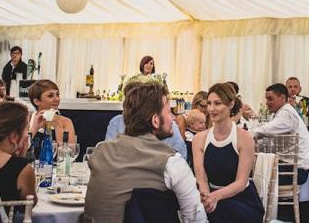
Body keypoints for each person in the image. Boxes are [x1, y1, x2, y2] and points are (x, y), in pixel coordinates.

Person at [85, 82, 205, 222]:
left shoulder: (100, 153)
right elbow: (197, 219)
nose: (173, 118)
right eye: (168, 112)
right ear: (155, 120)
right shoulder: (171, 163)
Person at [192, 83, 263, 222]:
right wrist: (207, 197)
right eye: (209, 104)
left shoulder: (245, 137)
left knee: (219, 212)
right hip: (212, 196)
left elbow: (241, 182)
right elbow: (202, 179)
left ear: (231, 104)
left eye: (217, 103)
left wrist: (215, 197)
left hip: (242, 200)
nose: (211, 109)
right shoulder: (199, 139)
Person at [105, 82, 188, 159]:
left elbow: (182, 155)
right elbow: (109, 153)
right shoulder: (116, 122)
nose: (173, 117)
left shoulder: (169, 126)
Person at [250, 83, 309, 185]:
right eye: (266, 99)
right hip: (288, 165)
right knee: (248, 167)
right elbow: (268, 140)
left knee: (248, 174)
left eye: (270, 99)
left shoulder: (287, 113)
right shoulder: (279, 113)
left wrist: (245, 136)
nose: (267, 102)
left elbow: (265, 130)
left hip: (296, 171)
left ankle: (256, 200)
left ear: (282, 98)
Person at [27, 80, 75, 145]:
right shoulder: (27, 119)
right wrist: (35, 127)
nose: (56, 99)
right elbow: (19, 149)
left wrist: (57, 126)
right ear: (37, 101)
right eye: (50, 96)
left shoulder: (66, 122)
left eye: (57, 95)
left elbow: (69, 152)